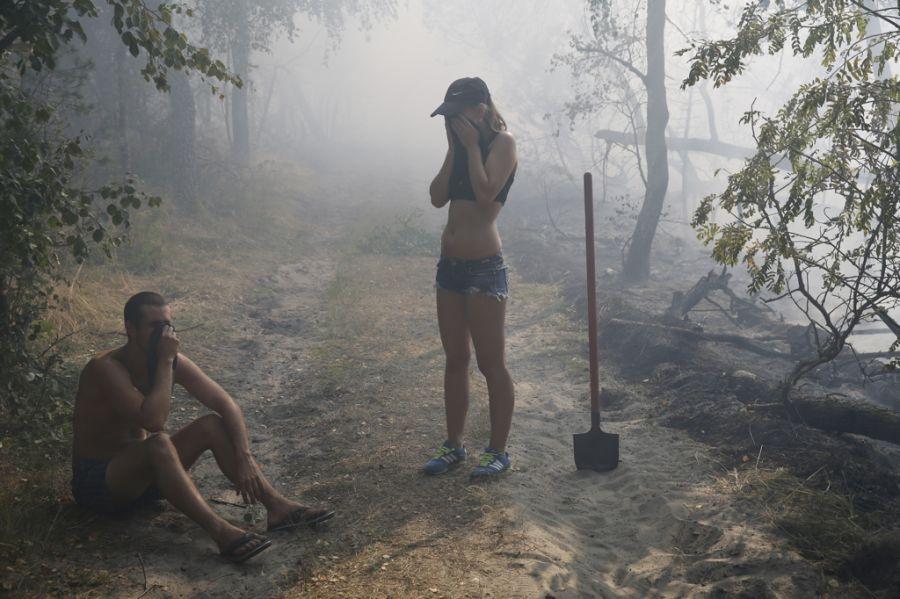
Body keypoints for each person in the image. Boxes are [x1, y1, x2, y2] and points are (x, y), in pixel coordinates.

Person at [71, 291, 334, 563]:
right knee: (159, 442)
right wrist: (164, 362)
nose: (164, 333)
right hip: (100, 483)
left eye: (168, 324)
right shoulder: (105, 367)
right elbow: (153, 421)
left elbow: (225, 403)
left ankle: (278, 509)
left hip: (145, 480)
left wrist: (245, 457)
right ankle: (221, 532)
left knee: (210, 425)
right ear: (130, 328)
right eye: (154, 326)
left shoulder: (171, 361)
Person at [424, 77, 518, 480]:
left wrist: (471, 148)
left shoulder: (502, 144)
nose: (451, 122)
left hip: (483, 268)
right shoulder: (459, 147)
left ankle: (497, 451)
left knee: (490, 363)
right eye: (447, 116)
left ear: (479, 110)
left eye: (456, 115)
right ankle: (454, 445)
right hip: (451, 269)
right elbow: (437, 196)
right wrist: (454, 149)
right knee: (455, 359)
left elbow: (485, 195)